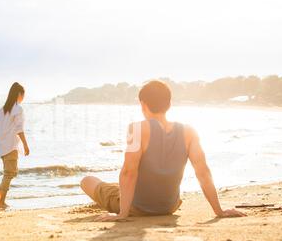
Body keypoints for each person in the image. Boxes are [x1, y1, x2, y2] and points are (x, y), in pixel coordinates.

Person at [80, 80, 246, 221]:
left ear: (143, 105)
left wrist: (122, 214)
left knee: (87, 180)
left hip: (138, 208)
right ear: (169, 104)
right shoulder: (189, 131)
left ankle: (120, 203)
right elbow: (203, 172)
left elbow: (129, 172)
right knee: (118, 186)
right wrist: (219, 211)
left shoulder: (137, 129)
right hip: (169, 206)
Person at [0, 82, 30, 211]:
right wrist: (25, 145)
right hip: (11, 145)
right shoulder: (18, 109)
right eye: (23, 95)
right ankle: (1, 198)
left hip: (2, 146)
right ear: (19, 94)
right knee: (10, 173)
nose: (23, 97)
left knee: (9, 173)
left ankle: (1, 196)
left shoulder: (3, 109)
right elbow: (19, 128)